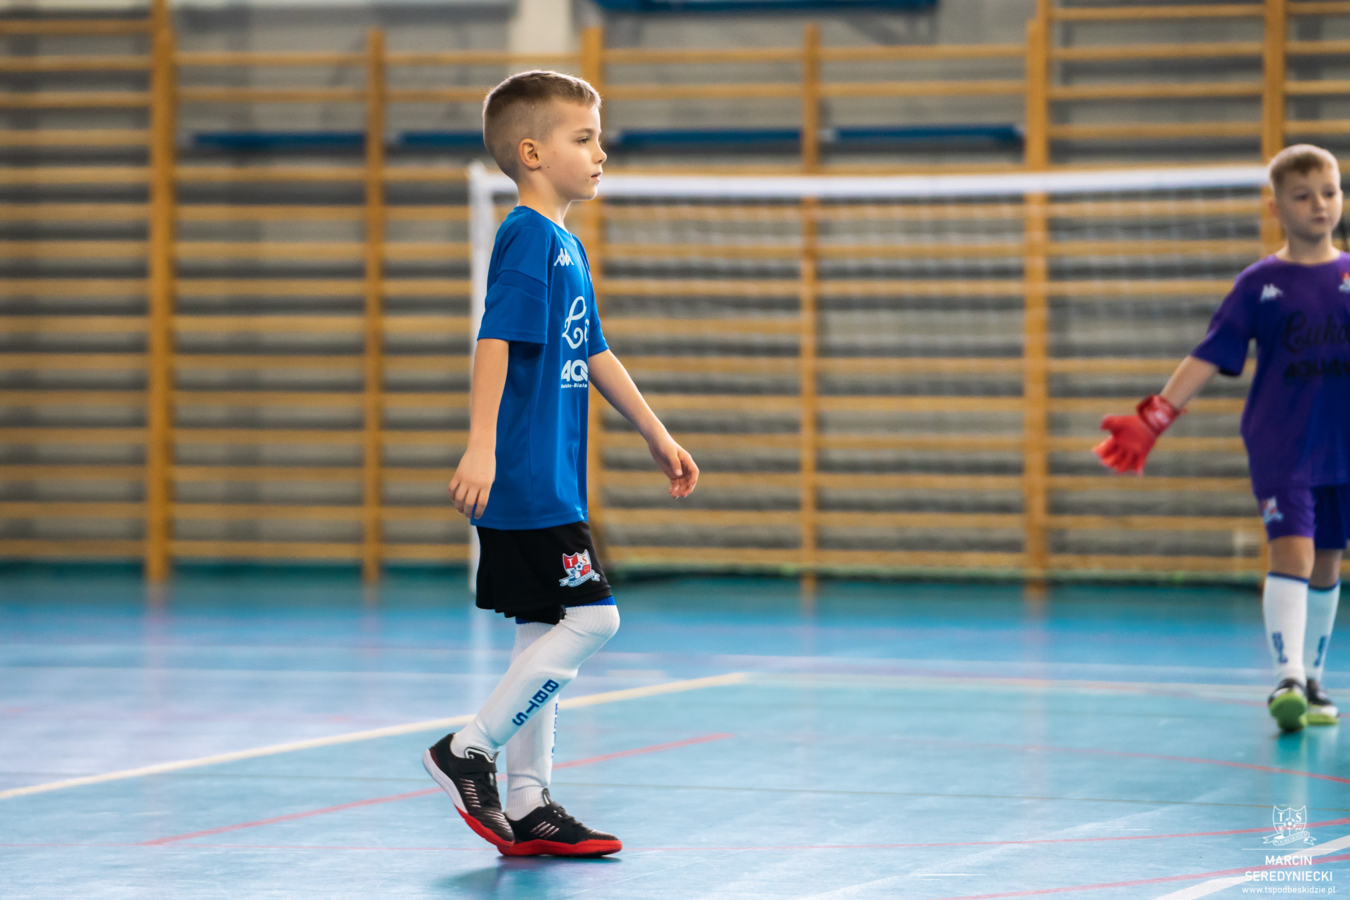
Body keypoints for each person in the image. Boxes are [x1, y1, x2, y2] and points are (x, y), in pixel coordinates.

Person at [420, 70, 699, 857]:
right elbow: (494, 339)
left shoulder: (567, 246)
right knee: (595, 618)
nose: (601, 152)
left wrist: (655, 433)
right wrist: (481, 444)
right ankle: (467, 750)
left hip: (553, 478)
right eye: (584, 138)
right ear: (534, 153)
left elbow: (594, 350)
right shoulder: (528, 237)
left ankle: (530, 802)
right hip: (527, 477)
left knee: (541, 628)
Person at [1095, 144, 1349, 733]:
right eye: (1302, 196)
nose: (1319, 205)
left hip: (1340, 445)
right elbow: (1209, 354)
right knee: (1293, 551)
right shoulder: (1260, 284)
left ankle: (1313, 681)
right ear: (1276, 208)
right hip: (1282, 443)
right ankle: (1287, 678)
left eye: (1329, 192)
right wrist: (1154, 417)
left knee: (1328, 559)